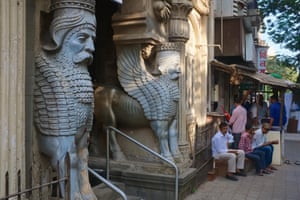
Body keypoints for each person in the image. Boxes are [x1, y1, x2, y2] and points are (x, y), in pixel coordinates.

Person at [34, 1, 97, 199]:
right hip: (60, 144)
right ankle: (72, 194)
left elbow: (82, 146)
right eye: (82, 38)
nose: (91, 47)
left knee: (82, 155)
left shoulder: (82, 76)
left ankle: (84, 191)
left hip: (77, 143)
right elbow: (61, 150)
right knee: (69, 157)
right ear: (58, 39)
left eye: (92, 39)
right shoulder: (50, 73)